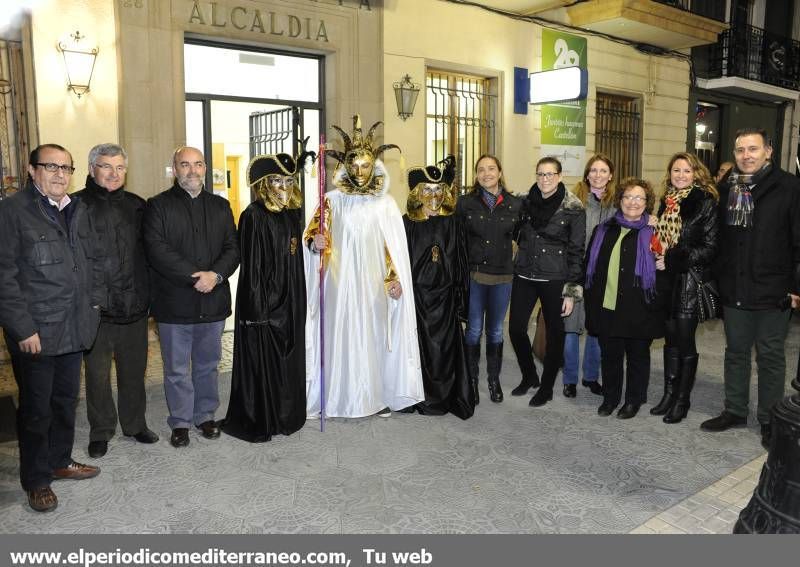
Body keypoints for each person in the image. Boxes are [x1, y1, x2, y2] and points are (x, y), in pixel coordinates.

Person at [0, 144, 104, 512]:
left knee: (64, 402)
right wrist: (22, 327)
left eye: (66, 168)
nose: (60, 174)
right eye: (51, 167)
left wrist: (95, 306)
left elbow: (91, 263)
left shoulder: (79, 209)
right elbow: (4, 276)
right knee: (35, 409)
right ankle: (37, 480)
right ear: (32, 170)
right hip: (36, 333)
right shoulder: (13, 212)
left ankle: (60, 460)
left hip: (74, 326)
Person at [304, 116, 424, 418]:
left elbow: (390, 248)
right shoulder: (330, 201)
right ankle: (336, 397)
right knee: (339, 338)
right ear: (344, 166)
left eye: (365, 166)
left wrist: (394, 278)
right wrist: (314, 242)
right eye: (354, 166)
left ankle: (374, 397)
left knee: (373, 337)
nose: (359, 172)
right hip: (338, 285)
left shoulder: (385, 204)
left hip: (373, 286)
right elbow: (312, 235)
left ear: (374, 167)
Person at [700, 128, 800, 449]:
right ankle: (735, 410)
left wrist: (796, 286)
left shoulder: (789, 188)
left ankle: (771, 420)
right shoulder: (727, 188)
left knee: (770, 356)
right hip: (735, 287)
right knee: (736, 353)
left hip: (775, 289)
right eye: (741, 149)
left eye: (753, 149)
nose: (746, 155)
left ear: (768, 151)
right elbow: (717, 237)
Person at [143, 146, 239, 448]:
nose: (192, 170)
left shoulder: (221, 206)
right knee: (176, 368)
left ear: (205, 168)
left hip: (213, 301)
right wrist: (194, 276)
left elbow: (233, 248)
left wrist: (215, 276)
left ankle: (205, 416)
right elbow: (157, 249)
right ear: (174, 168)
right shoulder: (157, 206)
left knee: (208, 364)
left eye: (198, 164)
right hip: (174, 303)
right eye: (185, 165)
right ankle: (181, 422)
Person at [222, 144, 314, 442]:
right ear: (264, 185)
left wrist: (315, 244)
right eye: (277, 181)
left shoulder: (291, 214)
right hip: (266, 305)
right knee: (267, 363)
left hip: (291, 301)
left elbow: (295, 256)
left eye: (289, 181)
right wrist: (258, 312)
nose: (284, 187)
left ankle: (288, 414)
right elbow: (253, 269)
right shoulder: (253, 215)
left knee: (289, 360)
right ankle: (267, 417)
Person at [74, 144, 157, 458]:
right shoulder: (75, 205)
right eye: (106, 166)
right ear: (92, 168)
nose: (113, 173)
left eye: (120, 167)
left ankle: (135, 425)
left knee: (134, 372)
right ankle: (101, 430)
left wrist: (149, 298)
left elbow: (149, 255)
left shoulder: (138, 206)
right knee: (96, 377)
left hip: (134, 308)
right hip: (96, 311)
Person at [584, 178, 666, 419]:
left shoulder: (655, 232)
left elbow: (664, 271)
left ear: (647, 202)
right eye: (628, 197)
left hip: (640, 308)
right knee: (610, 356)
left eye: (639, 198)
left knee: (638, 357)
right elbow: (590, 265)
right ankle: (610, 398)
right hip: (608, 306)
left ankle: (633, 399)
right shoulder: (603, 230)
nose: (633, 202)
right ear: (620, 200)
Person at [509, 157, 585, 408]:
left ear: (560, 176)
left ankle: (547, 386)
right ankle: (530, 375)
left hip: (554, 277)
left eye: (550, 174)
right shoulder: (524, 201)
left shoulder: (573, 207)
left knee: (555, 333)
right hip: (524, 274)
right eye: (541, 174)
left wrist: (571, 292)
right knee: (516, 329)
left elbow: (577, 250)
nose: (545, 179)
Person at [402, 155, 473, 419]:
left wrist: (461, 303)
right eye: (427, 189)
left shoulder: (453, 223)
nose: (433, 195)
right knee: (419, 350)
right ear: (417, 193)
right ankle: (418, 397)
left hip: (445, 299)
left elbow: (462, 264)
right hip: (417, 300)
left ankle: (445, 397)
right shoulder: (407, 223)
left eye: (438, 189)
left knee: (443, 351)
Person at [650, 152, 718, 424]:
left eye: (687, 171)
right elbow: (663, 238)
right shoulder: (667, 202)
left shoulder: (705, 203)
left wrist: (671, 259)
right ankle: (668, 394)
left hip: (689, 280)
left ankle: (682, 400)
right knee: (669, 340)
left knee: (685, 340)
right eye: (676, 170)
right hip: (665, 281)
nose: (681, 175)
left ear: (696, 174)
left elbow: (710, 248)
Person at [456, 155, 522, 404]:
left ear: (500, 172)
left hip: (503, 277)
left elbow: (525, 236)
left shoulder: (515, 204)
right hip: (474, 277)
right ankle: (471, 382)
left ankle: (493, 381)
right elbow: (456, 239)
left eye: (491, 169)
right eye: (481, 170)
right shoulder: (465, 204)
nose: (486, 174)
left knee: (495, 332)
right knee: (473, 331)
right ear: (475, 175)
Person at [561, 154, 616, 398]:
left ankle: (591, 377)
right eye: (593, 170)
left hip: (602, 278)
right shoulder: (573, 201)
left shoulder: (617, 204)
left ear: (610, 175)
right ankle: (569, 379)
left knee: (595, 328)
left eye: (603, 171)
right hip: (574, 273)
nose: (597, 175)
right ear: (586, 174)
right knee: (571, 329)